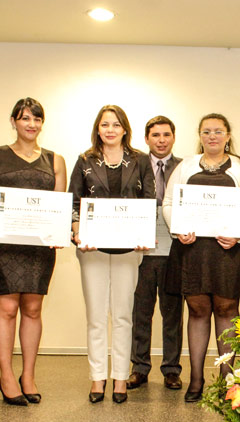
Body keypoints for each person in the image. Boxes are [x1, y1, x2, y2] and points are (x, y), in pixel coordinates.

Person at [162, 113, 240, 403]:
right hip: (193, 250)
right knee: (197, 310)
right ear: (200, 135)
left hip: (228, 250)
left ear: (228, 135)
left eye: (219, 131)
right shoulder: (185, 166)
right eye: (206, 131)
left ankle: (228, 381)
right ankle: (196, 379)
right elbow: (169, 203)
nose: (213, 136)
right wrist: (178, 227)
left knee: (227, 309)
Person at [0, 97, 67, 406]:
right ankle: (6, 376)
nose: (31, 124)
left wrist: (58, 229)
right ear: (14, 121)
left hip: (39, 246)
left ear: (42, 123)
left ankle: (28, 375)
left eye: (37, 119)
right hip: (4, 243)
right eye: (25, 118)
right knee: (7, 308)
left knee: (32, 309)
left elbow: (59, 205)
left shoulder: (56, 160)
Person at [69, 105, 155, 404]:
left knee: (122, 315)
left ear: (125, 129)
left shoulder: (140, 160)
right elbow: (74, 202)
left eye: (116, 124)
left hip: (129, 248)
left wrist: (145, 234)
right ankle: (97, 378)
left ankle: (120, 377)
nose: (110, 129)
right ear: (97, 128)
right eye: (104, 124)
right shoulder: (84, 160)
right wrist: (78, 228)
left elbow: (149, 201)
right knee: (96, 316)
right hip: (92, 248)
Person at [127, 116, 184, 391]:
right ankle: (139, 367)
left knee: (172, 312)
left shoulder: (185, 167)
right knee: (141, 311)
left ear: (173, 137)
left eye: (166, 135)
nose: (161, 140)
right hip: (141, 248)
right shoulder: (134, 165)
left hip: (175, 249)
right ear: (146, 139)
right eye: (155, 135)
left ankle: (172, 370)